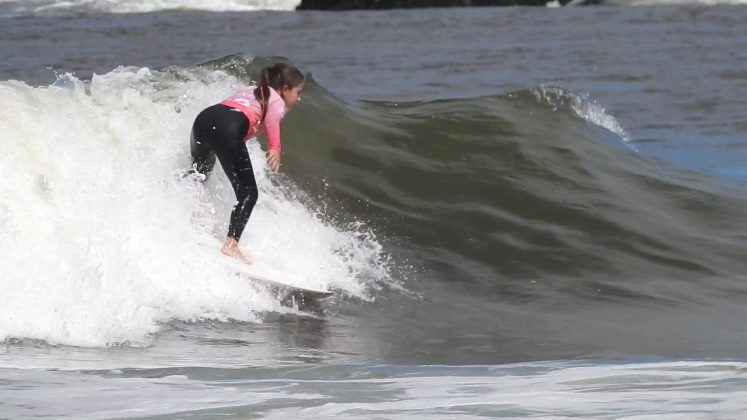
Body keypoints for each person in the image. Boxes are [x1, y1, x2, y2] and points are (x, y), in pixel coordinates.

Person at [189, 63, 305, 264]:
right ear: (285, 89)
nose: (299, 98)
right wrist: (275, 148)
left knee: (199, 175)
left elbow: (238, 112)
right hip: (227, 128)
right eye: (298, 92)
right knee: (248, 193)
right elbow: (271, 121)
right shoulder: (275, 99)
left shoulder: (252, 89)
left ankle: (182, 215)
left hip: (204, 120)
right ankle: (231, 245)